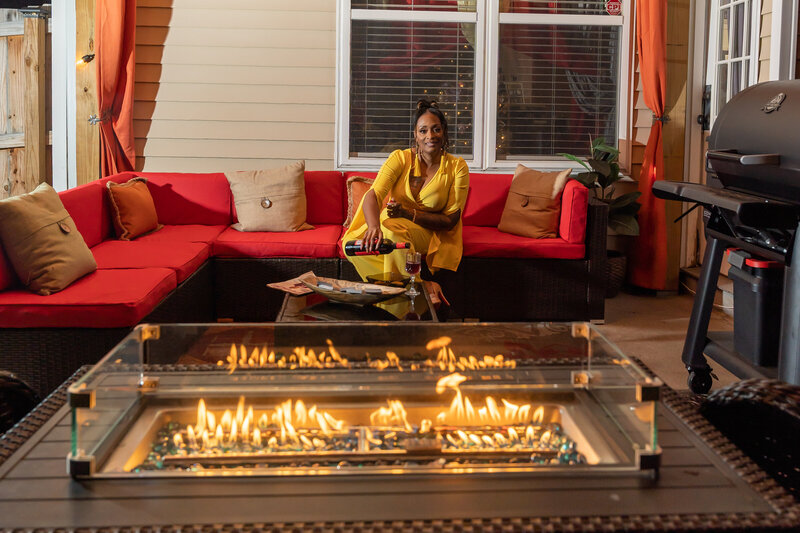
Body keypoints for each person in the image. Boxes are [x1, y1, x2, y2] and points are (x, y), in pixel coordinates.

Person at [342, 99, 470, 283]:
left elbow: (450, 221)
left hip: (431, 232)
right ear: (415, 135)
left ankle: (396, 299)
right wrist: (373, 227)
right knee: (351, 247)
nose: (430, 136)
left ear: (444, 132)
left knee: (393, 233)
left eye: (436, 129)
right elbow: (374, 194)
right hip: (389, 226)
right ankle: (419, 287)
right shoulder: (400, 158)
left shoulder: (457, 167)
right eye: (423, 130)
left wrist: (407, 213)